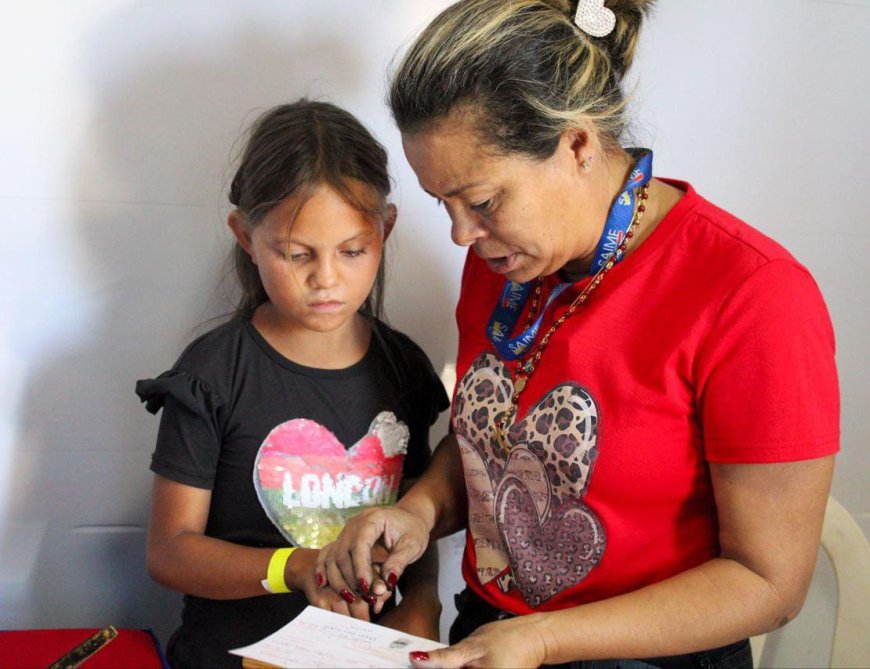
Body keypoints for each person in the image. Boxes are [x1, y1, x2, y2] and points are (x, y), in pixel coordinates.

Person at [315, 1, 839, 667]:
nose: (460, 235)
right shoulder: (504, 260)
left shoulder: (753, 294)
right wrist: (418, 512)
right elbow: (493, 436)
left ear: (578, 144)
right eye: (439, 202)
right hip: (493, 637)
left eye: (481, 201)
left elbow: (769, 582)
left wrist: (545, 637)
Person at [135, 100, 449, 668]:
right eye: (295, 253)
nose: (325, 279)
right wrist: (297, 566)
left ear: (387, 229)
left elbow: (417, 514)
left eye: (353, 251)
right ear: (246, 237)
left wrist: (422, 604)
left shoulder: (403, 367)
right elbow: (170, 551)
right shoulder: (212, 375)